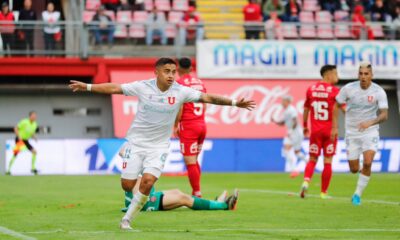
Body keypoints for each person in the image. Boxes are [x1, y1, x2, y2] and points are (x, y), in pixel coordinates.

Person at [68, 57, 255, 230]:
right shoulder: (142, 87)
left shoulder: (181, 91)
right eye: (167, 71)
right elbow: (115, 88)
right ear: (156, 72)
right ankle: (220, 204)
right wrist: (88, 87)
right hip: (137, 142)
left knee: (151, 182)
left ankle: (127, 220)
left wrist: (234, 103)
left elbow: (209, 98)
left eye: (173, 71)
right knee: (128, 184)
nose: (171, 75)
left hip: (159, 147)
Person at [335, 61, 388, 206]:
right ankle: (362, 173)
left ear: (371, 75)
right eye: (361, 74)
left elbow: (384, 115)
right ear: (358, 75)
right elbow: (337, 102)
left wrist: (370, 123)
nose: (363, 77)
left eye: (366, 74)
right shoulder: (348, 89)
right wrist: (342, 115)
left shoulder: (379, 92)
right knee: (353, 169)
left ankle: (357, 195)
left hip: (370, 132)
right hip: (352, 132)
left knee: (368, 162)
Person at [300, 65, 340, 199]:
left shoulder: (311, 89)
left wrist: (305, 125)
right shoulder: (335, 91)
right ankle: (323, 193)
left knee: (312, 159)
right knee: (327, 161)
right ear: (328, 75)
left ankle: (306, 182)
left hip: (315, 131)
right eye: (335, 73)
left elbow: (306, 109)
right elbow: (344, 109)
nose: (337, 76)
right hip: (330, 132)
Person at [174, 58, 207, 198]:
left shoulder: (179, 84)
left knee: (190, 162)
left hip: (188, 126)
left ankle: (197, 193)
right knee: (194, 161)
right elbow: (205, 102)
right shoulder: (200, 83)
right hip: (201, 124)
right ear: (191, 69)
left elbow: (179, 107)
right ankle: (196, 191)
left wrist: (176, 125)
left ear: (178, 69)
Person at [121, 176, 238, 212]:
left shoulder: (138, 147)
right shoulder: (139, 150)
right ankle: (224, 205)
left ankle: (216, 202)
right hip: (143, 201)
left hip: (147, 196)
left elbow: (123, 151)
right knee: (182, 198)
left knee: (177, 192)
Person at [272, 95, 307, 178]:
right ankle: (309, 164)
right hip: (294, 133)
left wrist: (291, 130)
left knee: (287, 149)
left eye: (283, 101)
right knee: (297, 152)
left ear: (287, 101)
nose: (282, 103)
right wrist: (275, 121)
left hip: (295, 133)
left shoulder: (291, 110)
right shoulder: (286, 111)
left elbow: (295, 121)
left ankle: (294, 170)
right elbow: (283, 123)